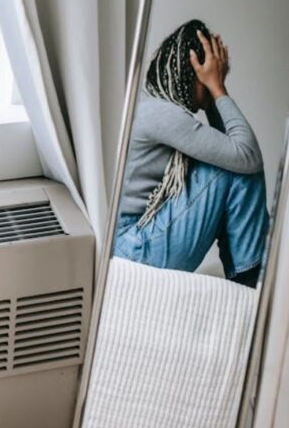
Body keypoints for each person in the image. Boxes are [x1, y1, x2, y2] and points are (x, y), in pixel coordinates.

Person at [113, 19, 268, 286]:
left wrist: (213, 96)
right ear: (193, 71)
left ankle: (249, 276)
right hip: (134, 250)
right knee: (238, 169)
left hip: (132, 243)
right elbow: (246, 155)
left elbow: (233, 149)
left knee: (236, 165)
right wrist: (217, 89)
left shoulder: (152, 102)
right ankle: (251, 278)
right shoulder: (163, 115)